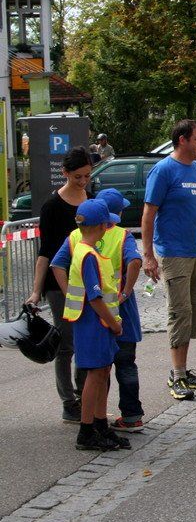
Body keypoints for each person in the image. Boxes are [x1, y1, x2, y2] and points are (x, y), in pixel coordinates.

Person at [51, 189, 145, 433]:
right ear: (108, 219)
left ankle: (96, 422)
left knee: (98, 371)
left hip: (89, 314)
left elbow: (56, 264)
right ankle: (106, 423)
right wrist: (125, 293)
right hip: (111, 313)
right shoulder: (118, 238)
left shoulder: (75, 238)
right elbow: (134, 262)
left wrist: (71, 293)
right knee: (116, 367)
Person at [142, 119, 196, 401]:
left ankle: (184, 370)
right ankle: (177, 374)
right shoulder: (163, 170)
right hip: (174, 253)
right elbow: (148, 214)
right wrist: (148, 255)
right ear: (182, 140)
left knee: (195, 313)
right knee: (179, 312)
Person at [28, 146, 92, 422]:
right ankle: (69, 402)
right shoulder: (52, 206)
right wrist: (35, 291)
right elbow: (45, 252)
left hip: (89, 280)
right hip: (59, 283)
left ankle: (84, 396)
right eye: (78, 177)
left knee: (85, 341)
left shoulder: (92, 201)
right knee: (66, 344)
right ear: (65, 173)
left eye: (87, 176)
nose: (83, 181)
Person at [62, 198, 128, 451]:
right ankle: (87, 430)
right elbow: (95, 297)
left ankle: (100, 425)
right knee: (95, 374)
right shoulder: (89, 255)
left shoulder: (82, 249)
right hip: (95, 323)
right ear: (103, 226)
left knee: (102, 372)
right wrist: (114, 324)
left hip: (95, 322)